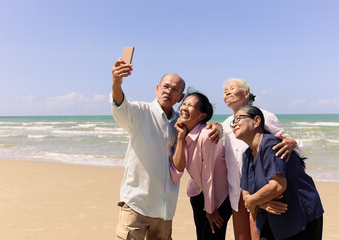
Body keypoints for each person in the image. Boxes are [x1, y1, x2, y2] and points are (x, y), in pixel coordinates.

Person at [110, 58, 222, 240]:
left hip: (165, 209)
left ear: (180, 97)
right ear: (157, 88)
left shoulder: (181, 122)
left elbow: (200, 126)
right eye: (166, 86)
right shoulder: (140, 112)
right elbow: (120, 106)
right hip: (136, 204)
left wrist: (218, 126)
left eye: (175, 90)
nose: (169, 91)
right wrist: (116, 82)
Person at [222, 78, 303, 240]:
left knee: (257, 234)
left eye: (231, 88)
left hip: (261, 190)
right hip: (237, 190)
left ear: (246, 93)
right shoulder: (225, 124)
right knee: (241, 237)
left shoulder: (265, 115)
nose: (227, 93)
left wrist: (292, 142)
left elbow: (284, 142)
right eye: (224, 91)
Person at [233, 105, 324, 239]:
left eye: (238, 118)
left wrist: (252, 201)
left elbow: (277, 185)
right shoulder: (247, 155)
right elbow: (246, 193)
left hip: (302, 215)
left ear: (256, 121)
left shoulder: (272, 145)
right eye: (232, 121)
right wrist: (259, 202)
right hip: (273, 218)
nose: (234, 124)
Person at [170, 91, 232, 240]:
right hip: (198, 193)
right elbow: (178, 169)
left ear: (202, 116)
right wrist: (180, 137)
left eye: (190, 105)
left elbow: (208, 174)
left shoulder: (207, 135)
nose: (184, 107)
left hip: (219, 198)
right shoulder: (184, 134)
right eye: (183, 104)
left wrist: (211, 209)